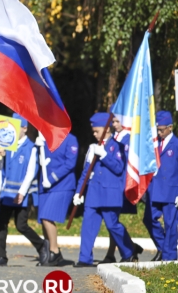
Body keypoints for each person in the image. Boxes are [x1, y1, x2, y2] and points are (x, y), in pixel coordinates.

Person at [74, 113, 138, 267]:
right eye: (93, 131)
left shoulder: (118, 146)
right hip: (94, 193)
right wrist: (79, 192)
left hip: (111, 193)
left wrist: (104, 155)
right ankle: (85, 258)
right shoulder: (93, 147)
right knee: (88, 225)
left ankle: (129, 251)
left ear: (106, 130)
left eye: (97, 131)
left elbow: (119, 168)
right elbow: (86, 171)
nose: (94, 134)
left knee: (112, 225)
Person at [0, 114, 48, 266]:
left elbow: (31, 172)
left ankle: (42, 245)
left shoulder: (30, 147)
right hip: (6, 193)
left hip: (21, 194)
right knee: (1, 224)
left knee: (21, 225)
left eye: (16, 127)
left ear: (24, 128)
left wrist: (22, 192)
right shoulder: (7, 145)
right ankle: (1, 256)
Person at [100, 114, 142, 263]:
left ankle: (129, 251)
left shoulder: (127, 139)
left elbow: (124, 166)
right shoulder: (115, 137)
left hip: (121, 185)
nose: (114, 124)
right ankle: (124, 250)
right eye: (113, 121)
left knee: (112, 222)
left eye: (118, 121)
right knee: (112, 221)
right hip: (113, 185)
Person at [36, 132, 78, 266]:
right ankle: (48, 251)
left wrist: (53, 177)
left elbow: (70, 163)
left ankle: (55, 251)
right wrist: (37, 150)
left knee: (47, 216)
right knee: (43, 219)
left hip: (62, 184)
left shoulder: (71, 139)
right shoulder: (47, 139)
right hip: (45, 185)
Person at [142, 110, 178, 261]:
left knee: (170, 225)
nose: (159, 132)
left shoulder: (176, 144)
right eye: (157, 129)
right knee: (149, 219)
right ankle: (164, 248)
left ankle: (169, 258)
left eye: (162, 129)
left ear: (170, 127)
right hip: (154, 190)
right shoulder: (154, 143)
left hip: (171, 191)